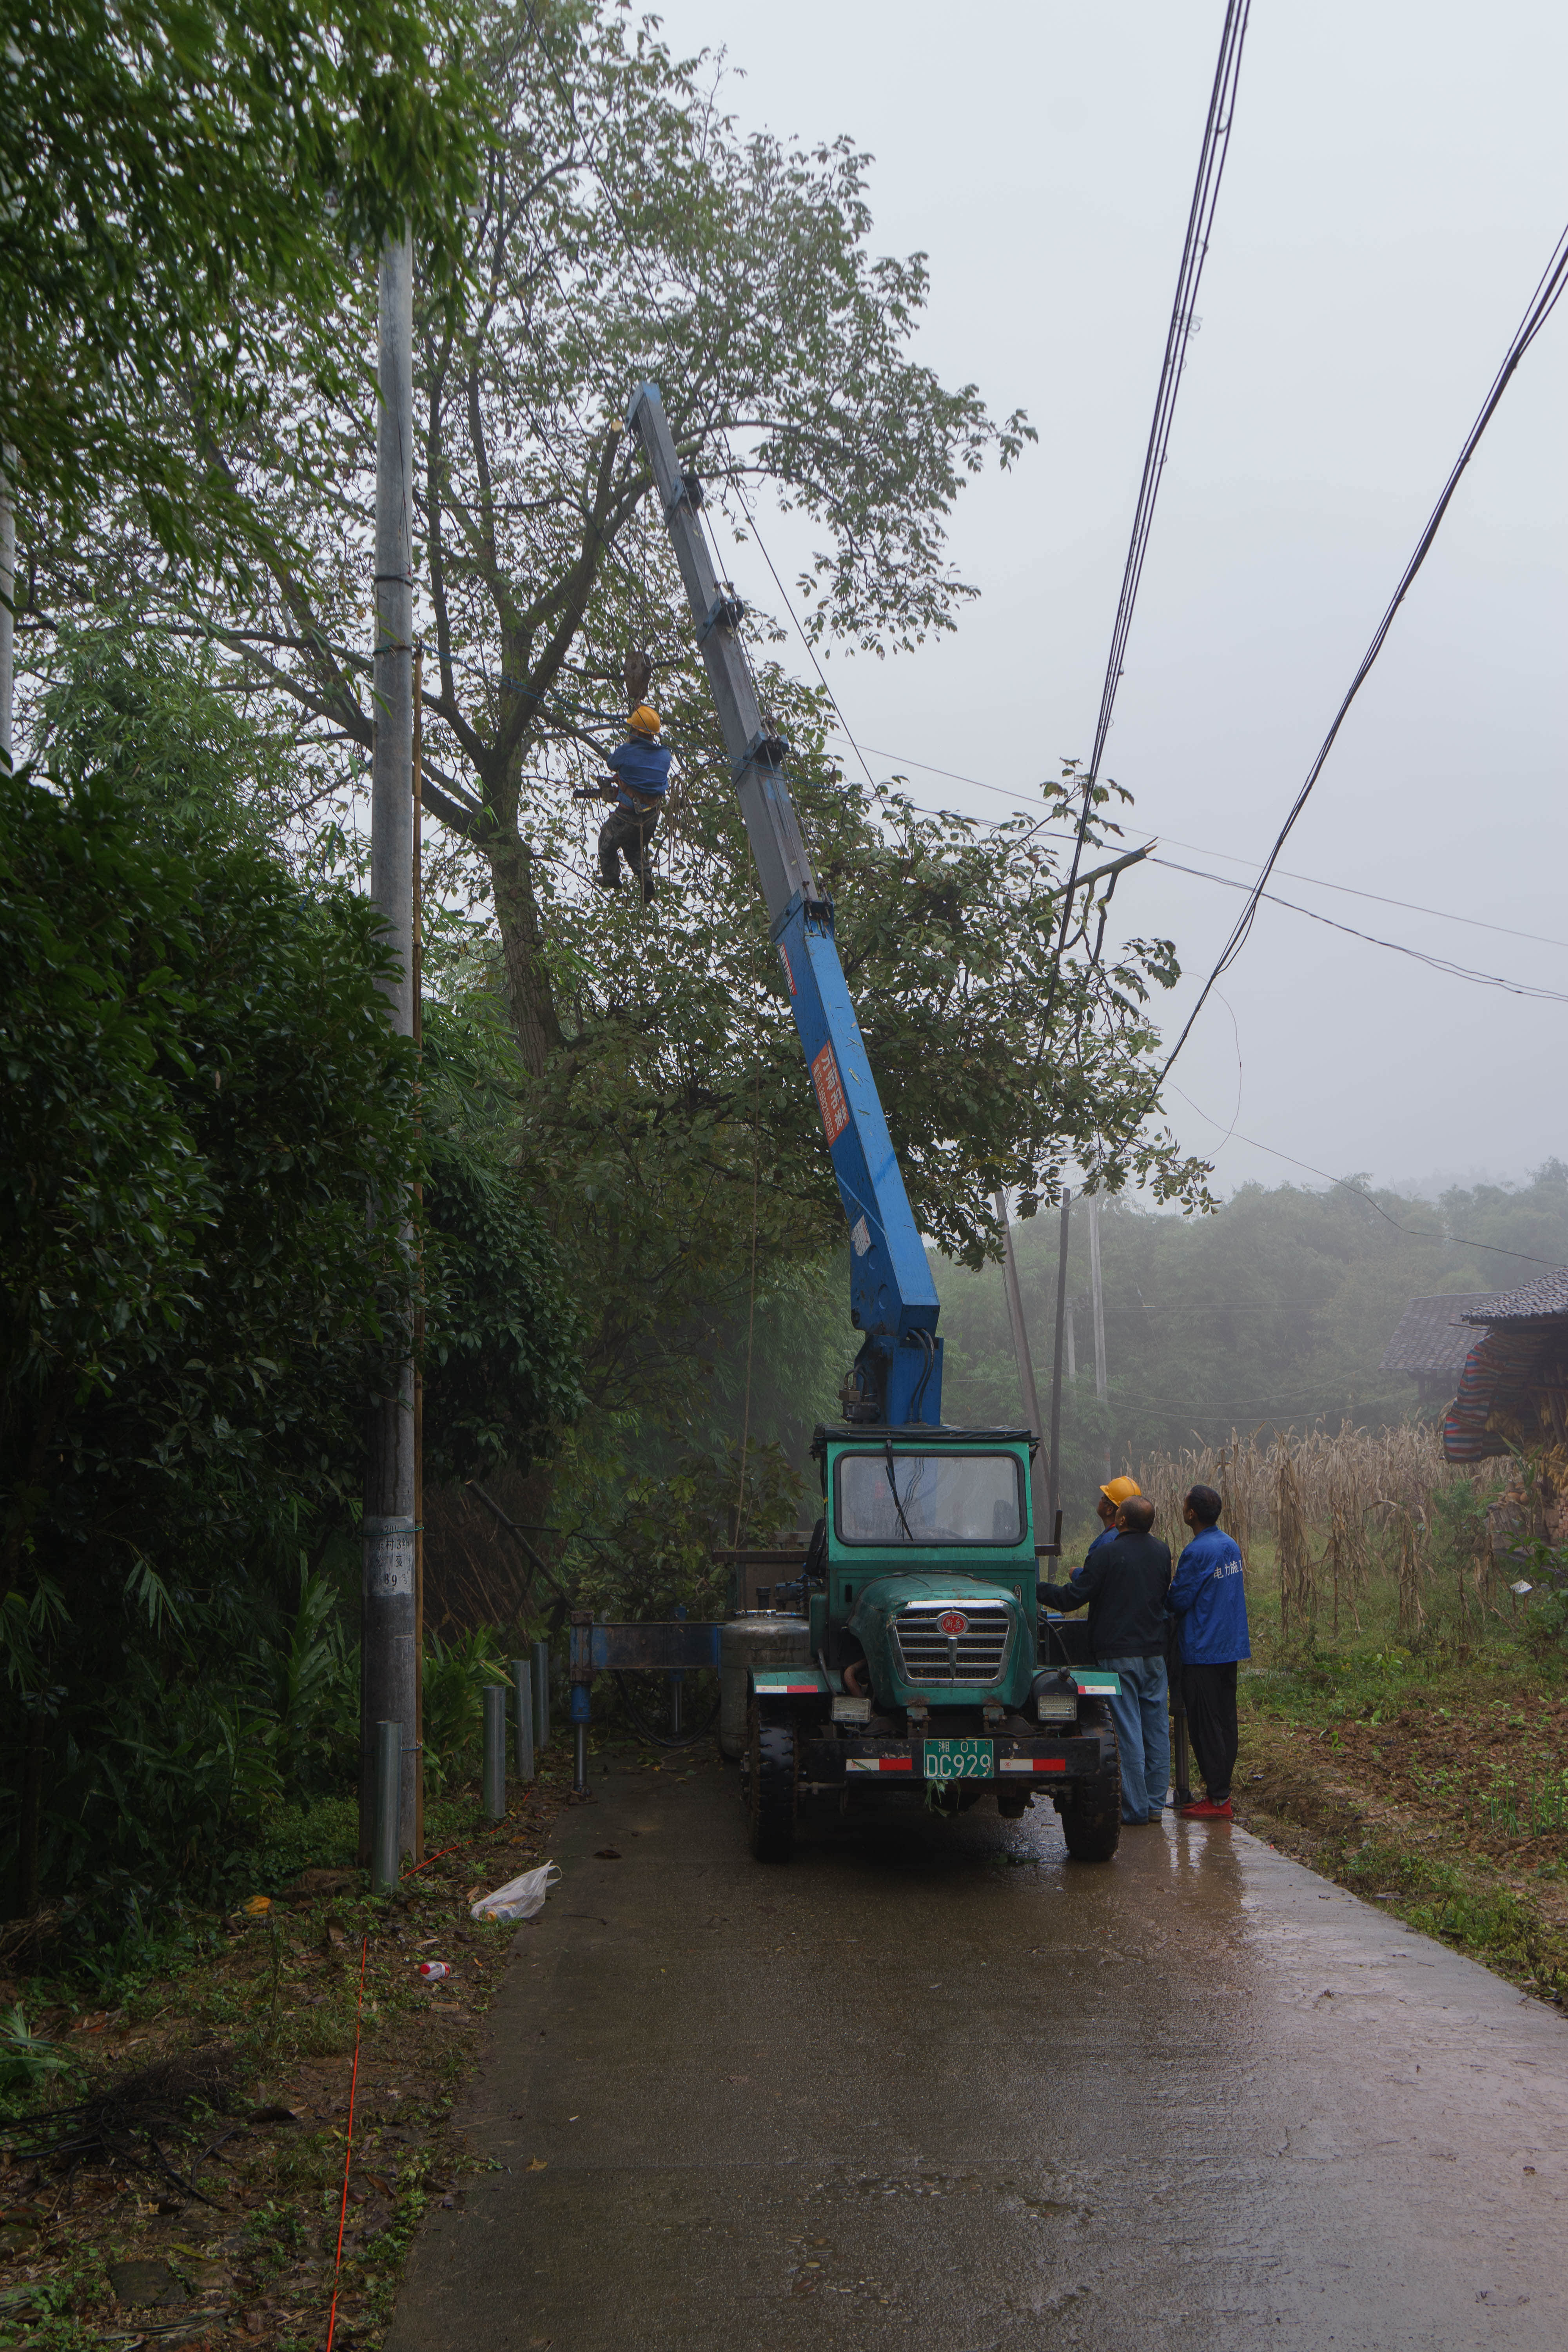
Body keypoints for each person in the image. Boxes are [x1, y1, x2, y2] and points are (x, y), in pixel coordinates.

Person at [1039, 1492, 1171, 1826]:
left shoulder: (1108, 1553)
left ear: (1122, 1520)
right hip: (1155, 1654)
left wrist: (1035, 1588)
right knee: (1156, 1731)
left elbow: (1072, 1599)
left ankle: (1135, 1809)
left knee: (1127, 1731)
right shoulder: (1162, 1551)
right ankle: (1156, 1805)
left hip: (1120, 1654)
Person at [1166, 1482, 1250, 1821]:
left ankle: (1217, 1801)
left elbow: (1179, 1600)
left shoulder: (1197, 1552)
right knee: (1226, 1721)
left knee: (1204, 1726)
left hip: (1202, 1650)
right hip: (1229, 1647)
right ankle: (1221, 1794)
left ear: (1191, 1514)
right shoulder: (1230, 1545)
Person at [592, 704, 671, 903]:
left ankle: (611, 877)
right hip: (652, 816)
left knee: (606, 842)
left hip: (628, 815)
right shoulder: (665, 756)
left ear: (635, 731)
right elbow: (644, 773)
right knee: (633, 847)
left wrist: (629, 743)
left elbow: (612, 763)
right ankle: (646, 878)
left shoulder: (627, 751)